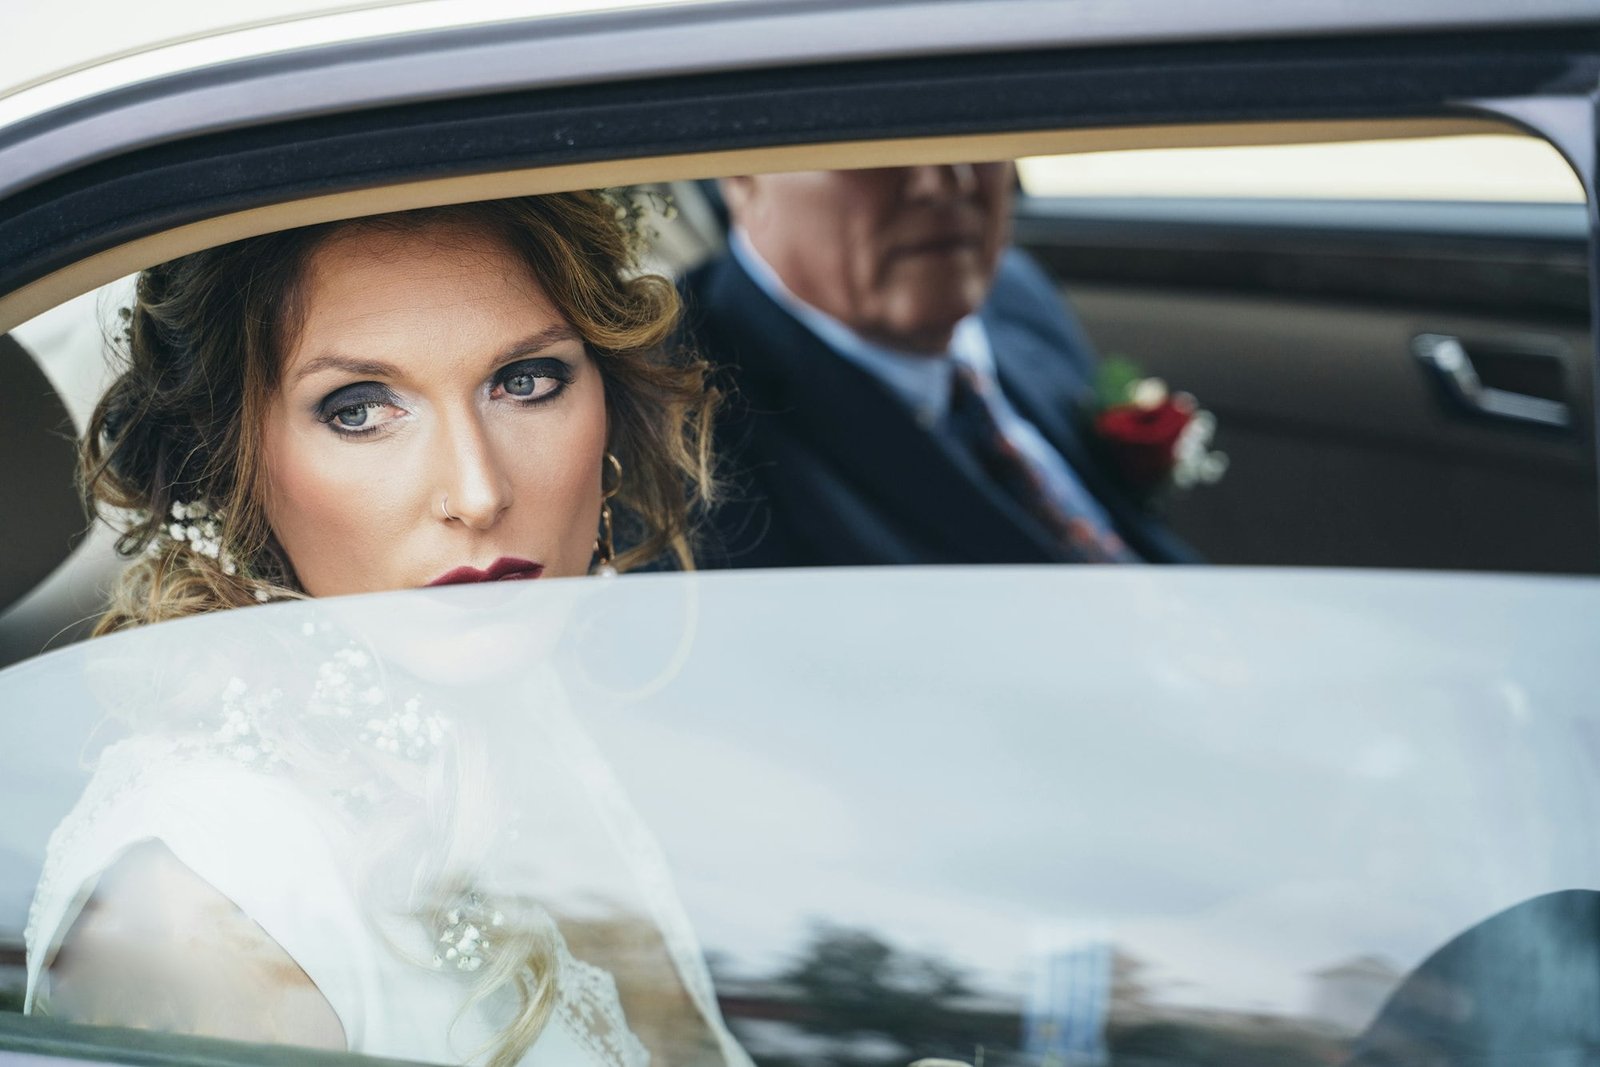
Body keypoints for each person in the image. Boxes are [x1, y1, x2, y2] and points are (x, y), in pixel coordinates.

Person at [23, 194, 744, 1067]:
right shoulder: (202, 901)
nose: (477, 493)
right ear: (233, 460)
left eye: (526, 381)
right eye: (359, 408)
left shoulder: (543, 712)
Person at [681, 163, 1196, 568]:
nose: (946, 180)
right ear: (742, 175)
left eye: (971, 131)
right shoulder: (680, 423)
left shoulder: (1015, 295)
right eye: (873, 147)